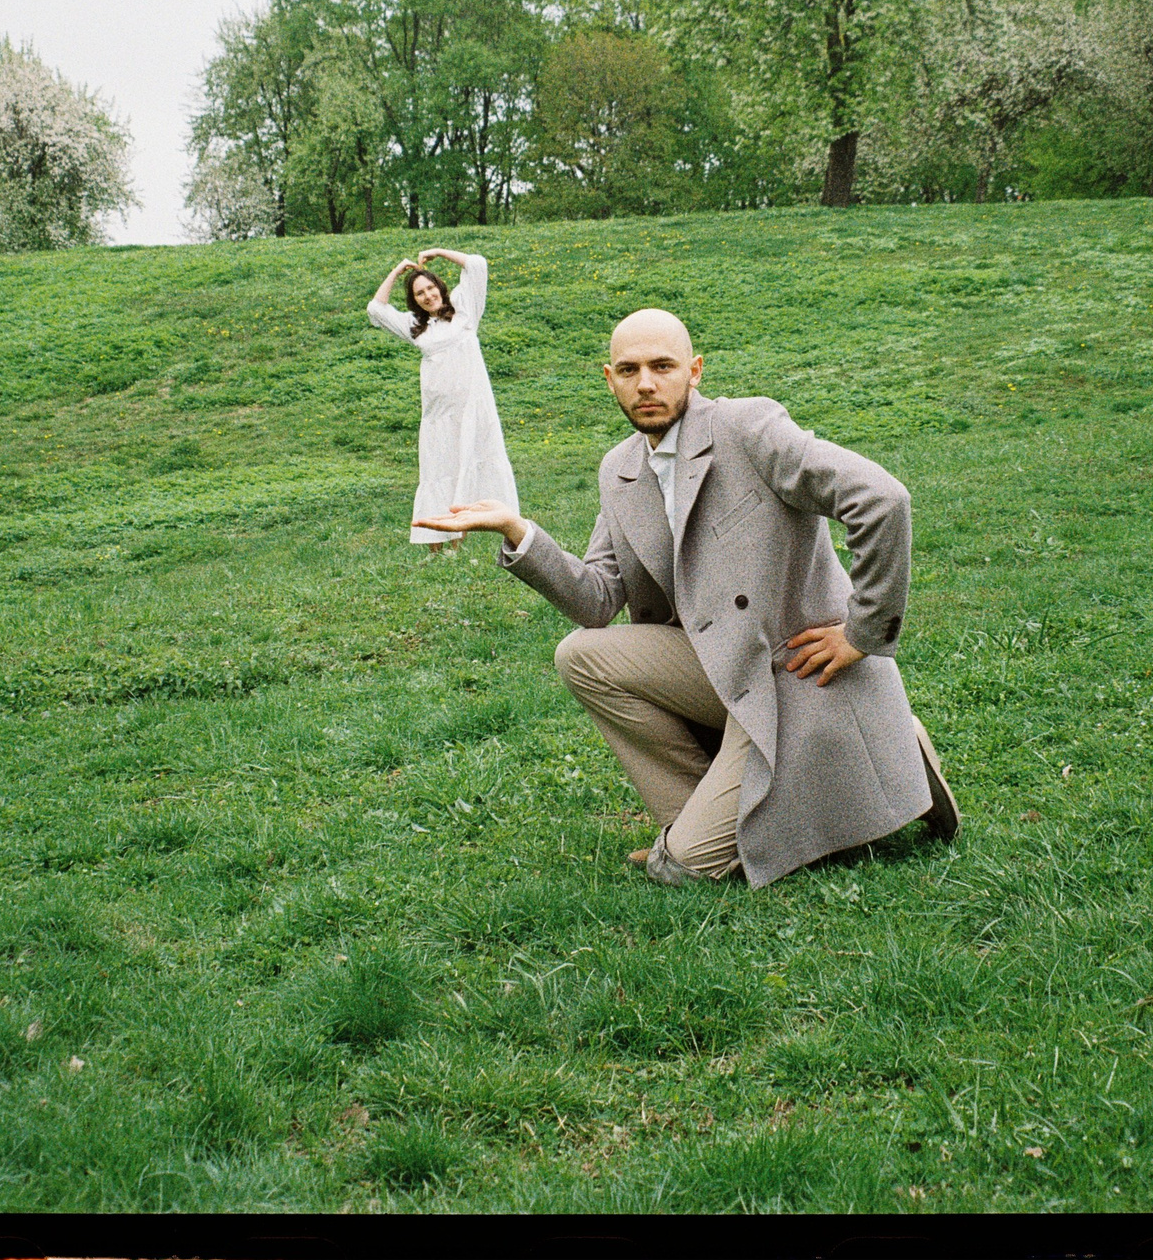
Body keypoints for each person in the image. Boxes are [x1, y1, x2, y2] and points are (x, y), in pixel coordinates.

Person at [417, 307, 958, 888]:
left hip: (795, 674)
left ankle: (881, 735)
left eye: (663, 366)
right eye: (629, 370)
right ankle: (689, 824)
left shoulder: (749, 428)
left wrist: (862, 633)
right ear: (609, 379)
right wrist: (518, 531)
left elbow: (881, 499)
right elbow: (596, 601)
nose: (646, 384)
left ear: (694, 371)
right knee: (580, 655)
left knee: (684, 872)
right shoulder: (620, 469)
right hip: (726, 671)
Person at [367, 248, 520, 554]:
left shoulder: (465, 309)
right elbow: (376, 309)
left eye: (430, 288)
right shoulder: (415, 326)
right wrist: (397, 271)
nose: (428, 296)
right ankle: (437, 548)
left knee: (470, 464)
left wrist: (438, 252)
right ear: (414, 300)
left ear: (440, 287)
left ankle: (472, 537)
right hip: (438, 416)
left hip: (472, 409)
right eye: (420, 293)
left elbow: (477, 264)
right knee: (439, 472)